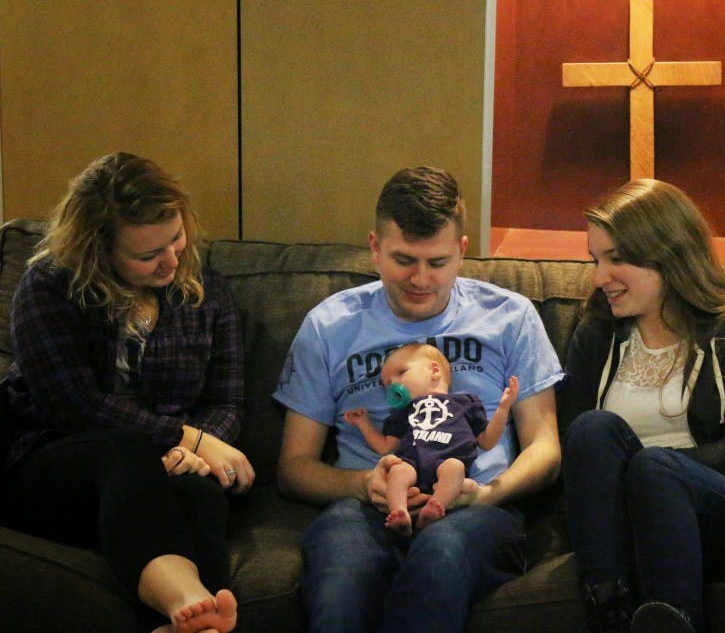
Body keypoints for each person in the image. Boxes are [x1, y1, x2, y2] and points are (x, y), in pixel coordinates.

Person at [273, 166, 563, 632]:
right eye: (404, 259)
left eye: (438, 262)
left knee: (439, 556)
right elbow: (293, 467)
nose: (421, 279)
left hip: (478, 509)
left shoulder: (510, 318)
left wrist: (486, 495)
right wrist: (361, 484)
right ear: (374, 247)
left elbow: (546, 449)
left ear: (462, 252)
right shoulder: (329, 326)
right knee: (341, 582)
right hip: (365, 506)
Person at [0, 152, 253, 633]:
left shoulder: (208, 293)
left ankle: (188, 625)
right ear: (98, 251)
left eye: (176, 238)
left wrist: (195, 453)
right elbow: (72, 405)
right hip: (47, 464)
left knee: (200, 492)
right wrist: (186, 438)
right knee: (126, 449)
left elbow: (226, 401)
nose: (172, 260)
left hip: (161, 470)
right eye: (147, 254)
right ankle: (193, 603)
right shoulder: (49, 285)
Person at [559, 179, 725, 633]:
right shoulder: (595, 335)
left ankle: (676, 617)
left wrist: (655, 472)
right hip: (623, 528)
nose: (599, 277)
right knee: (591, 429)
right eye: (596, 259)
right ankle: (610, 610)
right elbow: (581, 459)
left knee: (655, 470)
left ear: (667, 254)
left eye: (616, 258)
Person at [344, 342, 520, 535]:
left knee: (455, 468)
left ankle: (437, 507)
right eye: (387, 384)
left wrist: (503, 410)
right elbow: (385, 448)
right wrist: (364, 424)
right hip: (412, 461)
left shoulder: (465, 403)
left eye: (401, 373)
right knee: (397, 471)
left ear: (434, 371)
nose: (393, 385)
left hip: (448, 459)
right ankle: (399, 512)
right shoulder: (402, 412)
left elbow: (487, 441)